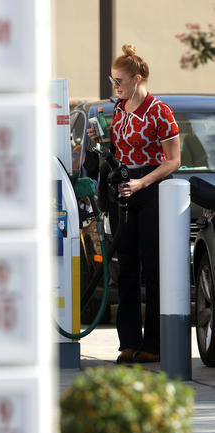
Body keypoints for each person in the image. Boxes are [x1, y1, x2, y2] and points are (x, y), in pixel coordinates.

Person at [87, 44, 181, 364]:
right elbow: (117, 150)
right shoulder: (119, 109)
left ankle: (153, 344)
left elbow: (174, 160)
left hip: (152, 189)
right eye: (112, 79)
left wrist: (143, 182)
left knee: (153, 268)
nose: (114, 86)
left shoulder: (159, 112)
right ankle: (128, 342)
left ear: (137, 78)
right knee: (125, 267)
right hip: (123, 190)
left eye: (119, 80)